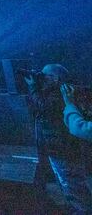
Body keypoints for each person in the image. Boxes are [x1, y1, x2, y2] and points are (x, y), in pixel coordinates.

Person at [25, 64, 92, 213]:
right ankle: (78, 207)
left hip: (64, 151)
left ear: (55, 79)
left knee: (73, 185)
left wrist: (33, 87)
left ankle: (83, 210)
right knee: (68, 184)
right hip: (57, 149)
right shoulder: (54, 93)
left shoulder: (62, 96)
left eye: (44, 76)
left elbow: (43, 106)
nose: (40, 78)